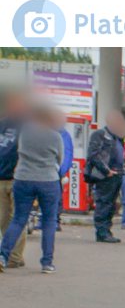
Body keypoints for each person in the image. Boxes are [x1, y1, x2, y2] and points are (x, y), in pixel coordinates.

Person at [0, 103, 66, 273]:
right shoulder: (55, 136)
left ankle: (3, 256)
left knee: (18, 219)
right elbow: (59, 159)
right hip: (48, 180)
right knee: (49, 221)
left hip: (23, 178)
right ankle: (47, 263)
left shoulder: (25, 133)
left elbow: (20, 151)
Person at [85, 109, 125, 242]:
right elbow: (94, 155)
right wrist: (106, 171)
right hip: (106, 176)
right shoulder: (100, 134)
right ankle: (102, 232)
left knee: (111, 204)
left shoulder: (117, 137)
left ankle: (106, 231)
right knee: (103, 203)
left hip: (117, 174)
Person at [0, 91, 30, 269]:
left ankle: (15, 256)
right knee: (3, 219)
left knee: (17, 218)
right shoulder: (2, 123)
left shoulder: (29, 126)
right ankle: (9, 252)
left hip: (19, 179)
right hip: (1, 178)